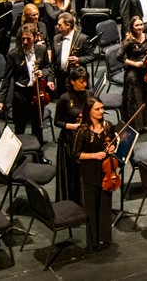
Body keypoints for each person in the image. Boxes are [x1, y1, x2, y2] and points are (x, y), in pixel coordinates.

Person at [0, 23, 55, 152]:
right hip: (20, 96)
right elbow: (7, 80)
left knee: (38, 127)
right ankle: (18, 158)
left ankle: (39, 155)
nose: (25, 42)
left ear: (35, 37)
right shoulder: (13, 54)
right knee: (20, 128)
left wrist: (44, 73)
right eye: (22, 39)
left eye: (28, 39)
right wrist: (1, 100)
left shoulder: (41, 50)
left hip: (37, 94)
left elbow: (49, 67)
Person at [73, 97, 115, 249]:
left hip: (107, 173)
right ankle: (93, 240)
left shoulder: (108, 126)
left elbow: (114, 143)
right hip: (90, 172)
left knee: (105, 206)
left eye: (102, 108)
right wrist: (94, 155)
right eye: (97, 109)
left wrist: (112, 148)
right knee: (91, 207)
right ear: (89, 111)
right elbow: (76, 154)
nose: (101, 111)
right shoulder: (82, 130)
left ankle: (105, 237)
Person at [54, 66, 92, 203]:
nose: (85, 84)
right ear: (72, 81)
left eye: (85, 81)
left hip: (86, 139)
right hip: (69, 141)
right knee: (72, 174)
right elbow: (57, 121)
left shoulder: (90, 94)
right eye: (81, 81)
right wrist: (72, 126)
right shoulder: (64, 98)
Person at [117, 16, 147, 132]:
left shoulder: (146, 37)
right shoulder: (128, 41)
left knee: (145, 97)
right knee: (136, 99)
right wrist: (134, 63)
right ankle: (135, 126)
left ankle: (144, 123)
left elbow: (146, 49)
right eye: (137, 25)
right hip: (133, 74)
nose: (140, 27)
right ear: (132, 27)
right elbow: (119, 57)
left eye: (141, 24)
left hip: (145, 71)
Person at [52, 12, 95, 97]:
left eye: (60, 25)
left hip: (76, 78)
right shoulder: (56, 38)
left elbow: (91, 56)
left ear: (68, 25)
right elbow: (53, 61)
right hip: (61, 79)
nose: (57, 27)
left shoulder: (82, 39)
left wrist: (78, 59)